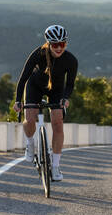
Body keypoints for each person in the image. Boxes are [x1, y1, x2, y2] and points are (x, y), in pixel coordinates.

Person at [13, 25, 78, 181]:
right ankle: (29, 144)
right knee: (30, 118)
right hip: (34, 87)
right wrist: (17, 101)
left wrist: (65, 98)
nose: (58, 48)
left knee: (57, 123)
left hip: (56, 91)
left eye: (62, 44)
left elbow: (69, 84)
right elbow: (23, 79)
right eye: (55, 45)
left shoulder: (70, 60)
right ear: (48, 44)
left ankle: (55, 167)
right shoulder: (38, 54)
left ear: (65, 44)